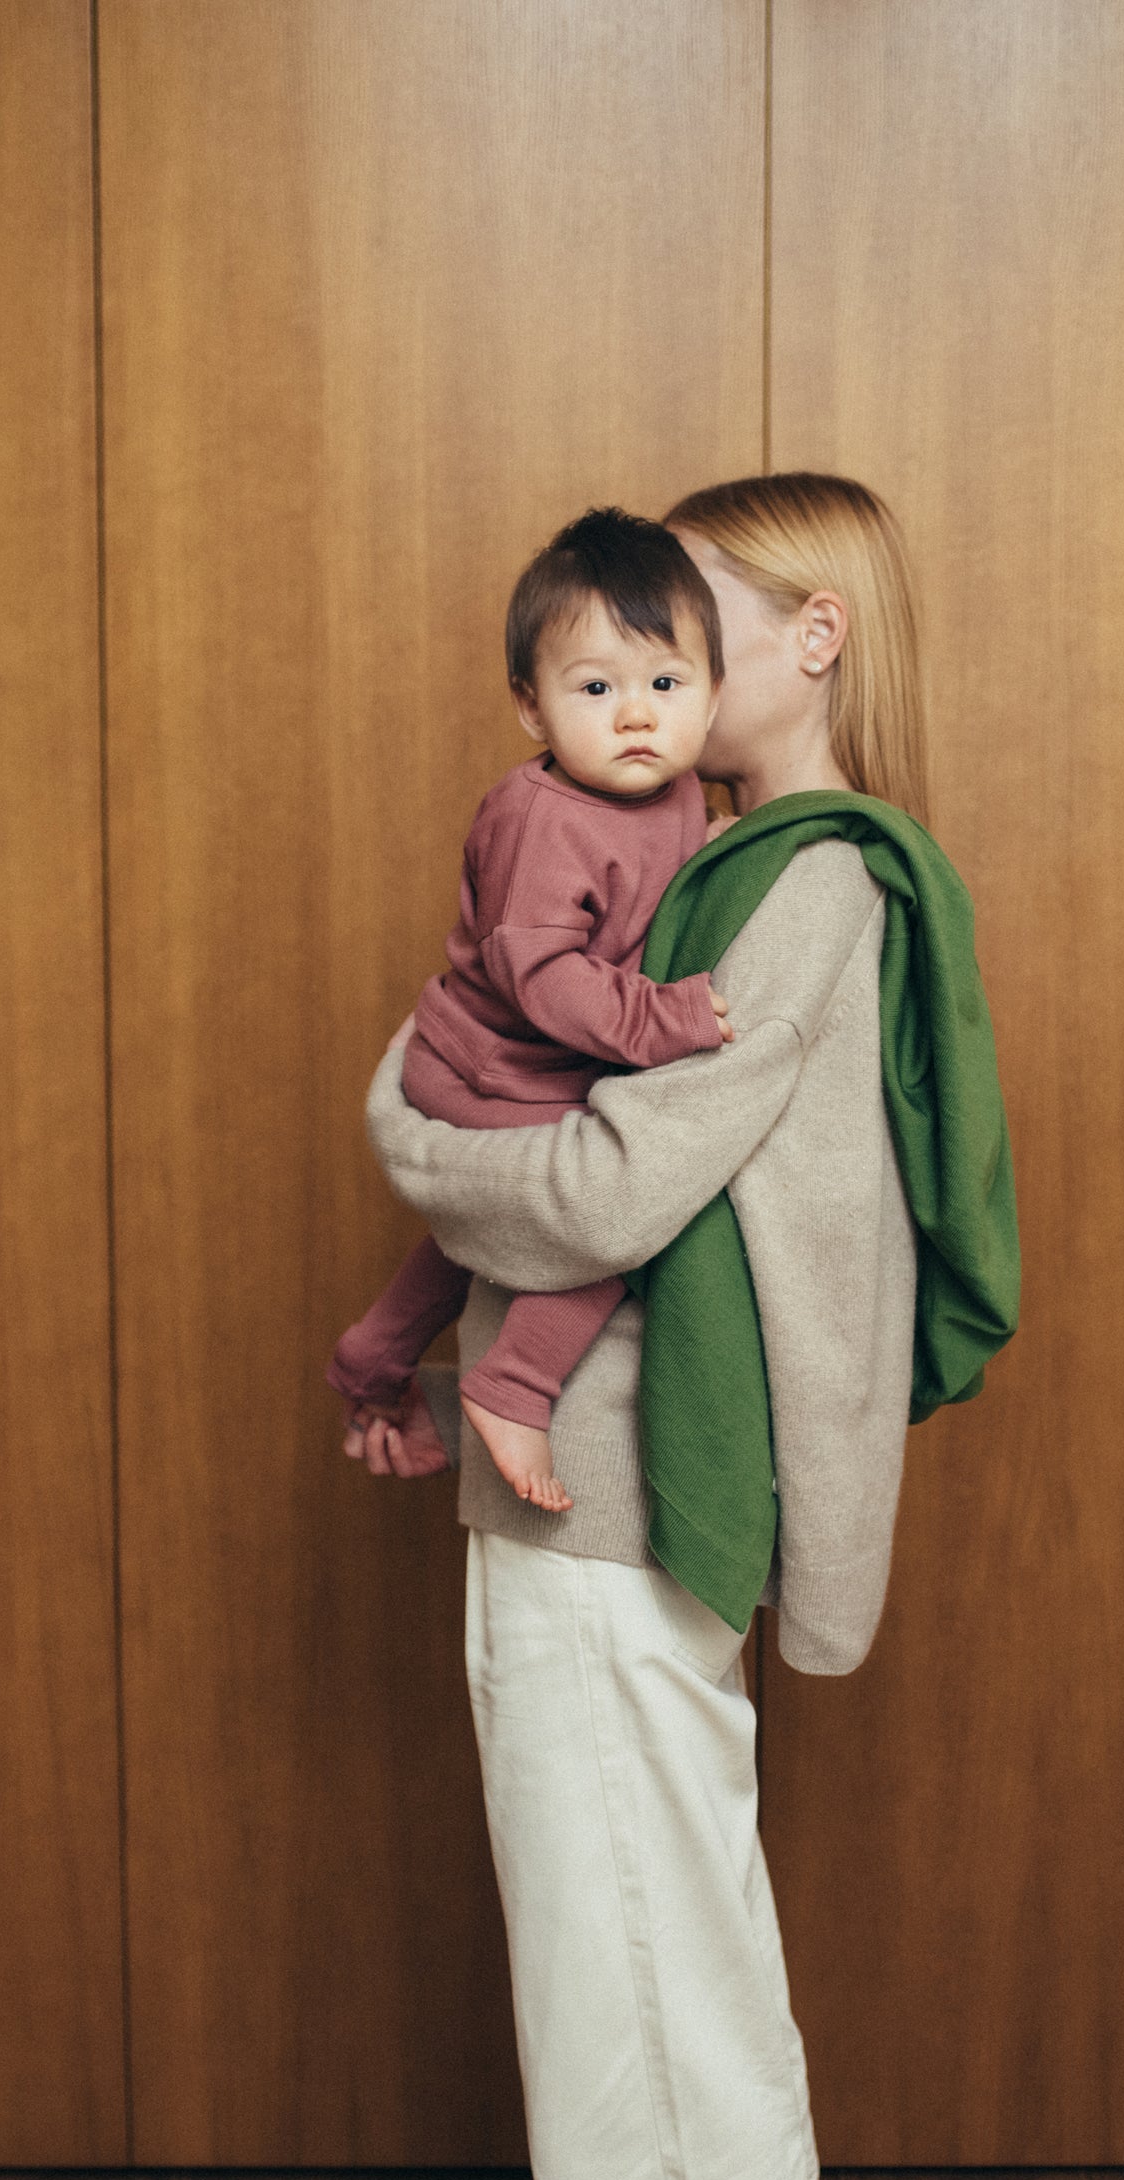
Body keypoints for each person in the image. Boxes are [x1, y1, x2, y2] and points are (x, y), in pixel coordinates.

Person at [341, 473, 1016, 2180]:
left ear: (810, 636)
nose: (649, 651)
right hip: (606, 1507)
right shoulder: (711, 859)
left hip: (617, 1523)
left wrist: (400, 1120)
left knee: (643, 2054)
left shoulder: (803, 885)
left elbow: (600, 1183)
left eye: (694, 619)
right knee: (683, 2009)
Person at [326, 508, 735, 1515]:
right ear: (531, 707)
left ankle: (374, 1351)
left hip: (525, 1068)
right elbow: (543, 978)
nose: (635, 716)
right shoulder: (541, 820)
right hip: (489, 1070)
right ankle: (515, 1383)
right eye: (595, 689)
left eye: (666, 685)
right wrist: (662, 1019)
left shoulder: (674, 791)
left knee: (484, 1232)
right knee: (624, 1212)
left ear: (713, 690)